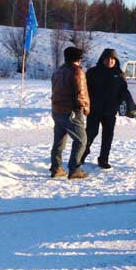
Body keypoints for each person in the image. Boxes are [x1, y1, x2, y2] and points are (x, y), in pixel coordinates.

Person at [82, 48, 128, 169]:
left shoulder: (119, 74)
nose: (110, 61)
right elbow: (85, 90)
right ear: (102, 59)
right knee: (90, 133)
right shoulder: (93, 72)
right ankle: (81, 155)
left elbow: (123, 91)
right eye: (107, 59)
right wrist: (86, 104)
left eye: (112, 59)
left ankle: (103, 159)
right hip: (94, 110)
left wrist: (117, 104)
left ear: (116, 60)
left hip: (110, 111)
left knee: (108, 136)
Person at [50, 46, 90, 179]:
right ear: (79, 59)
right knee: (81, 140)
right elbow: (81, 92)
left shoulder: (58, 71)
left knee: (59, 141)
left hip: (57, 110)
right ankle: (75, 169)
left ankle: (57, 168)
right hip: (71, 111)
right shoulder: (77, 72)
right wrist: (84, 107)